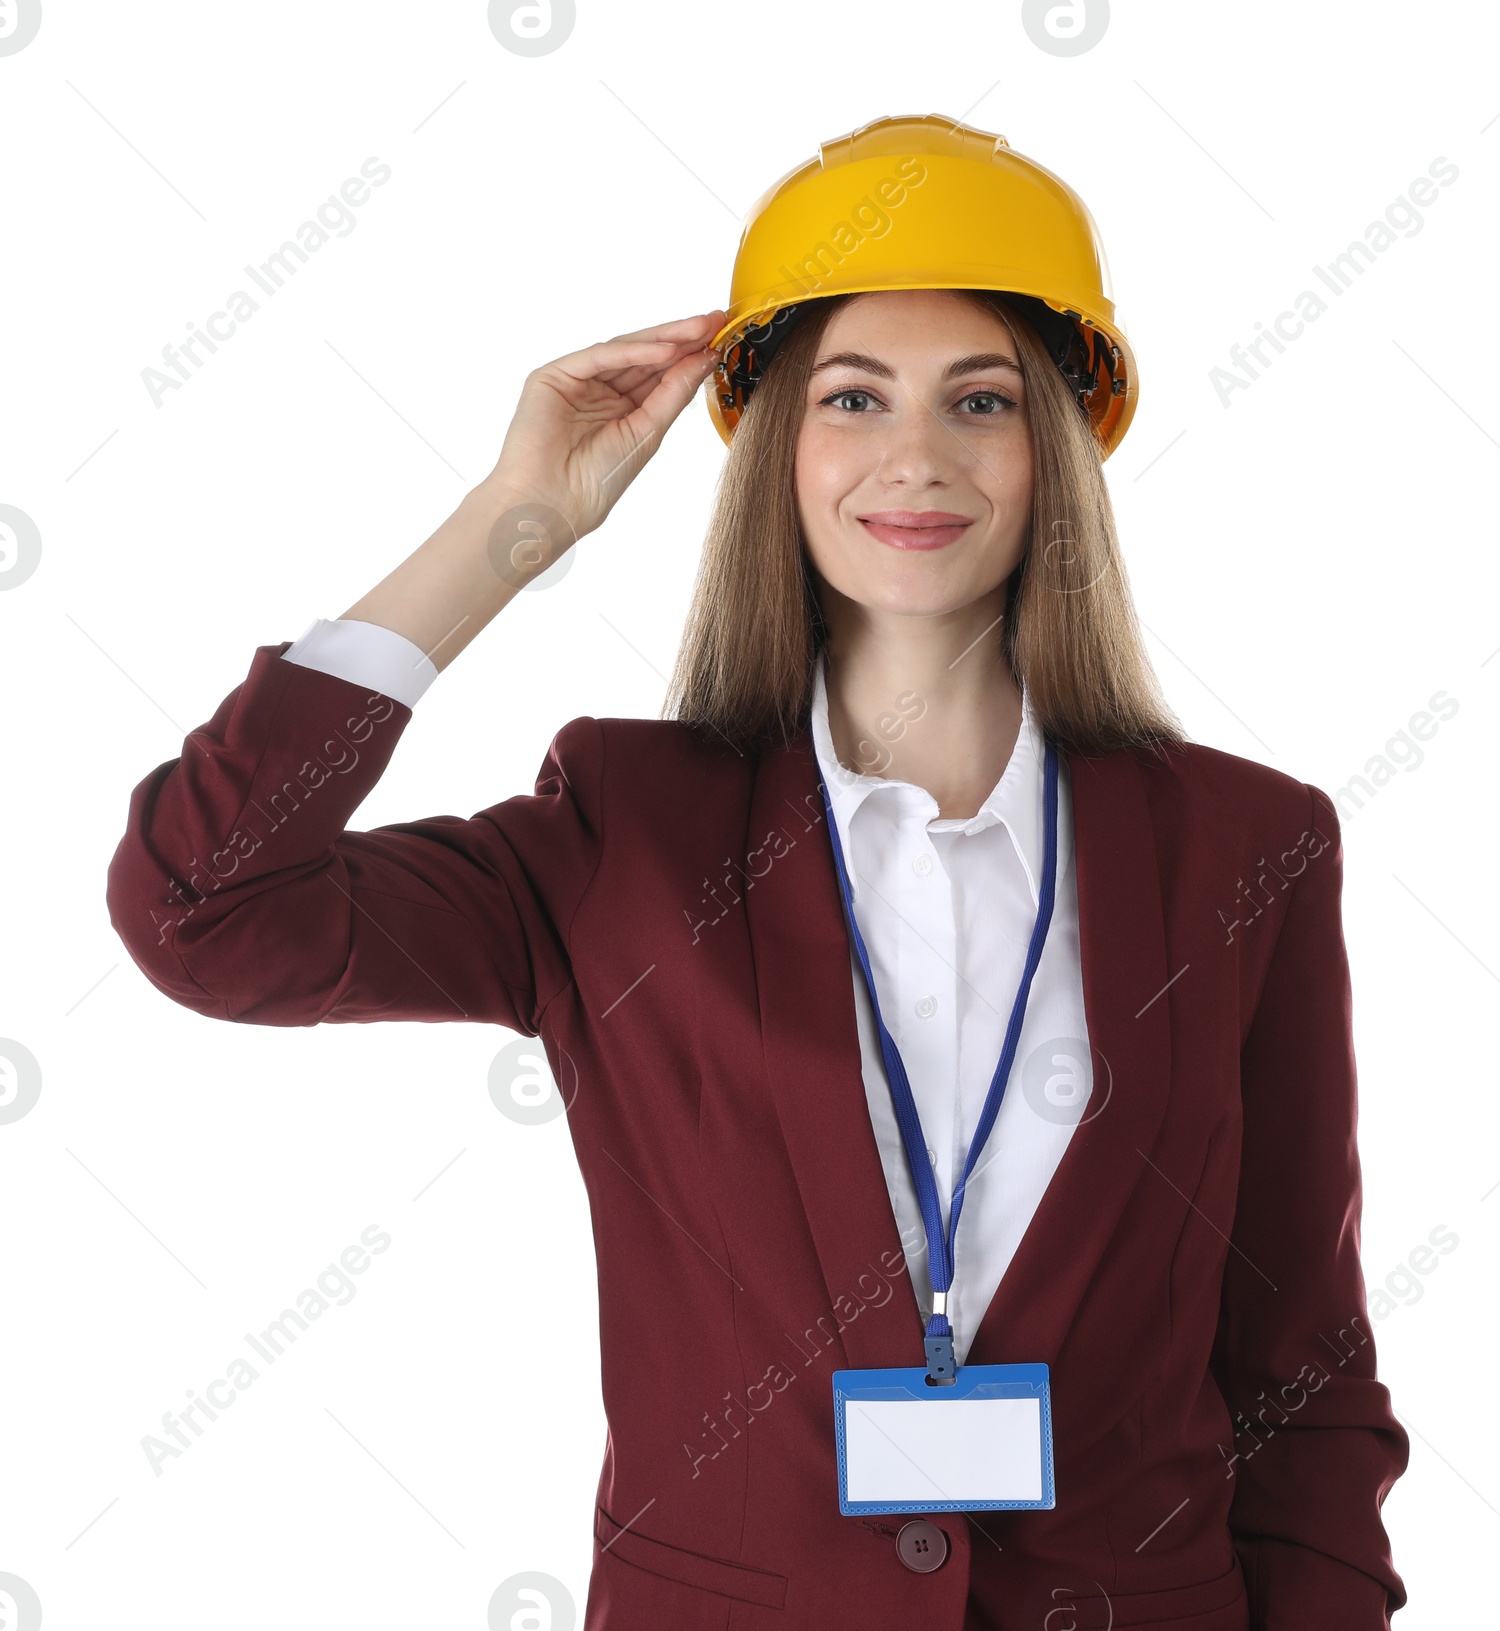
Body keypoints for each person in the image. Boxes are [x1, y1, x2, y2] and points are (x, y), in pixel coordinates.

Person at [106, 115, 1408, 1629]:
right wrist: (508, 529)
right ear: (779, 442)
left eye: (979, 400)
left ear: (1052, 446)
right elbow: (202, 911)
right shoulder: (625, 835)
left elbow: (1303, 1373)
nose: (915, 455)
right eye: (853, 397)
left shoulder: (1249, 846)